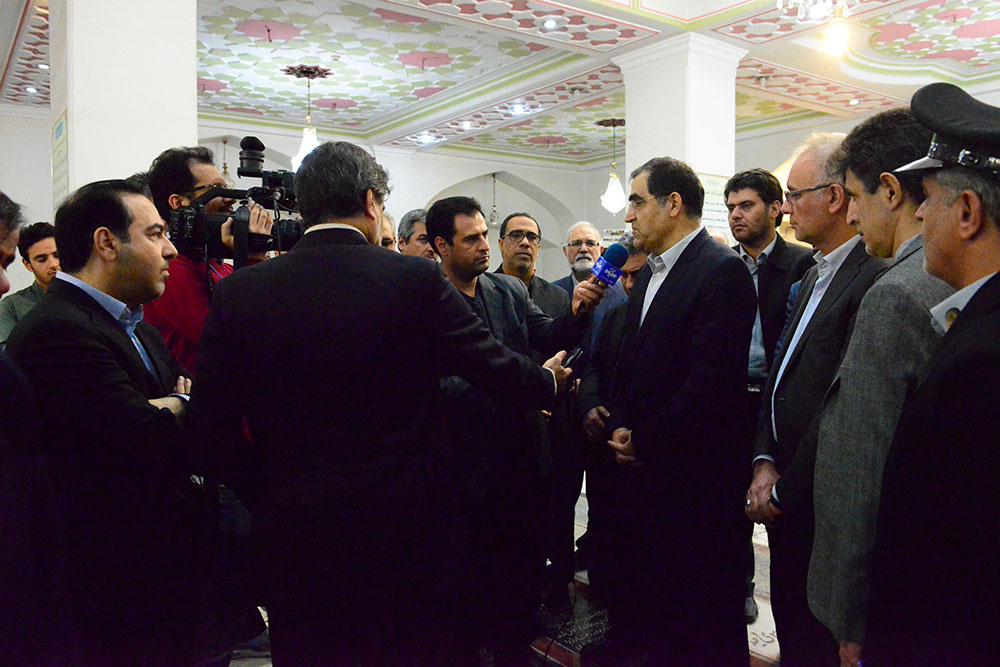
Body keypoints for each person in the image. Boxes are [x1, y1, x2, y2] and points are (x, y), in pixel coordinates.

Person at [188, 142, 571, 666]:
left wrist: (272, 492)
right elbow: (490, 363)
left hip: (298, 542)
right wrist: (546, 383)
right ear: (372, 202)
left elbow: (209, 429)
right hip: (405, 538)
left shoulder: (241, 292)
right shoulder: (412, 279)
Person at [6, 179, 213, 666]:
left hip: (161, 581)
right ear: (106, 243)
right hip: (112, 593)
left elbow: (191, 413)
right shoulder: (58, 330)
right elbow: (146, 439)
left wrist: (173, 404)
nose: (170, 249)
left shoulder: (138, 327)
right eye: (156, 234)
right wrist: (180, 403)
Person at [592, 157, 757, 665]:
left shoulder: (721, 270)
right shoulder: (649, 273)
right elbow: (632, 362)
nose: (629, 216)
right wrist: (623, 423)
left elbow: (711, 384)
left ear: (673, 204)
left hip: (696, 483)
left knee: (703, 623)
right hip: (648, 478)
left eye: (637, 201)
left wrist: (644, 439)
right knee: (659, 614)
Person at [804, 108, 953, 667]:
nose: (851, 215)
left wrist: (852, 620)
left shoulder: (895, 294)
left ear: (889, 191)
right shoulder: (952, 278)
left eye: (854, 197)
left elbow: (860, 469)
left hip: (892, 595)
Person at [426, 195, 601, 664]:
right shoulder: (426, 299)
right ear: (441, 245)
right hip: (464, 466)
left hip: (522, 457)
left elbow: (550, 334)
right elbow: (435, 388)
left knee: (520, 570)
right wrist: (524, 383)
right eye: (471, 239)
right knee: (466, 584)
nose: (485, 246)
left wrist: (577, 311)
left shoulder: (506, 290)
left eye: (485, 235)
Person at [864, 83, 1000, 666]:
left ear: (967, 212)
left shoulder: (983, 361)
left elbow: (963, 558)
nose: (918, 213)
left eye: (930, 197)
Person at [745, 133, 887, 667]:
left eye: (793, 194)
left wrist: (785, 488)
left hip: (821, 503)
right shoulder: (812, 275)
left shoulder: (873, 278)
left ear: (833, 197)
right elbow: (779, 379)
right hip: (783, 490)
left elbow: (842, 408)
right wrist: (763, 459)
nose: (784, 208)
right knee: (792, 627)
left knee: (818, 641)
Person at [726, 168, 814, 623]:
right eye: (731, 208)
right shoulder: (723, 266)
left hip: (778, 399)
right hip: (731, 399)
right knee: (730, 502)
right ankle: (738, 584)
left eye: (747, 205)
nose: (736, 215)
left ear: (776, 208)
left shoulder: (803, 263)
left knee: (779, 505)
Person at [144, 146, 273, 373]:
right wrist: (252, 260)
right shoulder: (170, 269)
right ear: (178, 202)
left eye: (226, 187)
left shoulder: (218, 266)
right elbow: (231, 340)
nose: (230, 199)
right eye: (215, 189)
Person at [574, 230, 645, 598]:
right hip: (604, 446)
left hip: (642, 446)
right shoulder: (615, 314)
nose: (628, 284)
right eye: (624, 275)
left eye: (637, 275)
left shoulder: (669, 315)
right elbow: (594, 365)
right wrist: (588, 404)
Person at [495, 211, 568, 317]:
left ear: (538, 249)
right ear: (501, 245)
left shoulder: (558, 297)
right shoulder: (482, 289)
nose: (525, 242)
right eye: (516, 235)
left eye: (532, 237)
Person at [0, 222, 59, 346]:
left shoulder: (86, 297)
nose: (53, 264)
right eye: (42, 259)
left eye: (57, 256)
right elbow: (7, 353)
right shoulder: (11, 306)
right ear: (27, 265)